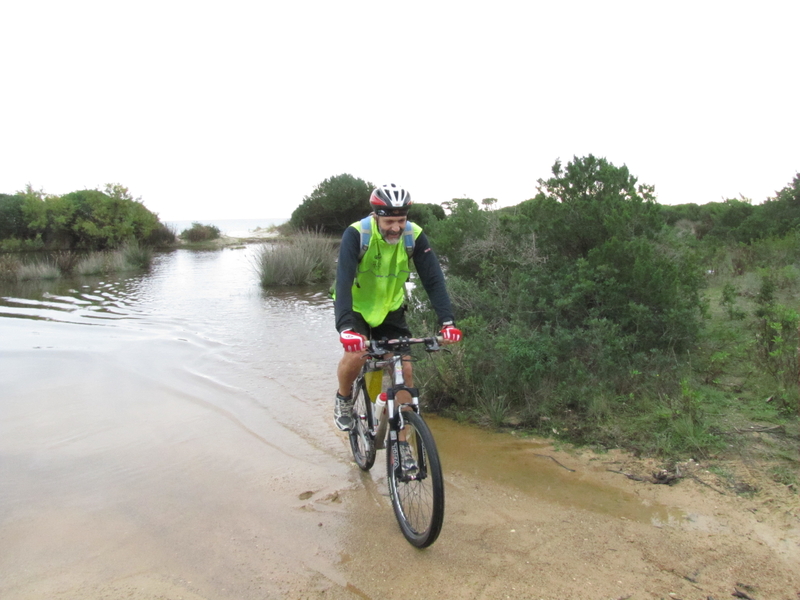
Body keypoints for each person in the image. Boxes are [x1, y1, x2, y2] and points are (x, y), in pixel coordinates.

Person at [333, 183, 462, 471]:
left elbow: (433, 280)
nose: (396, 228)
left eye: (401, 221)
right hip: (356, 308)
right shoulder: (357, 234)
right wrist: (345, 328)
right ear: (376, 216)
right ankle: (343, 399)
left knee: (405, 370)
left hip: (390, 309)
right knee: (356, 355)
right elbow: (342, 281)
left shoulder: (413, 236)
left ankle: (401, 445)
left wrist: (447, 321)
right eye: (389, 221)